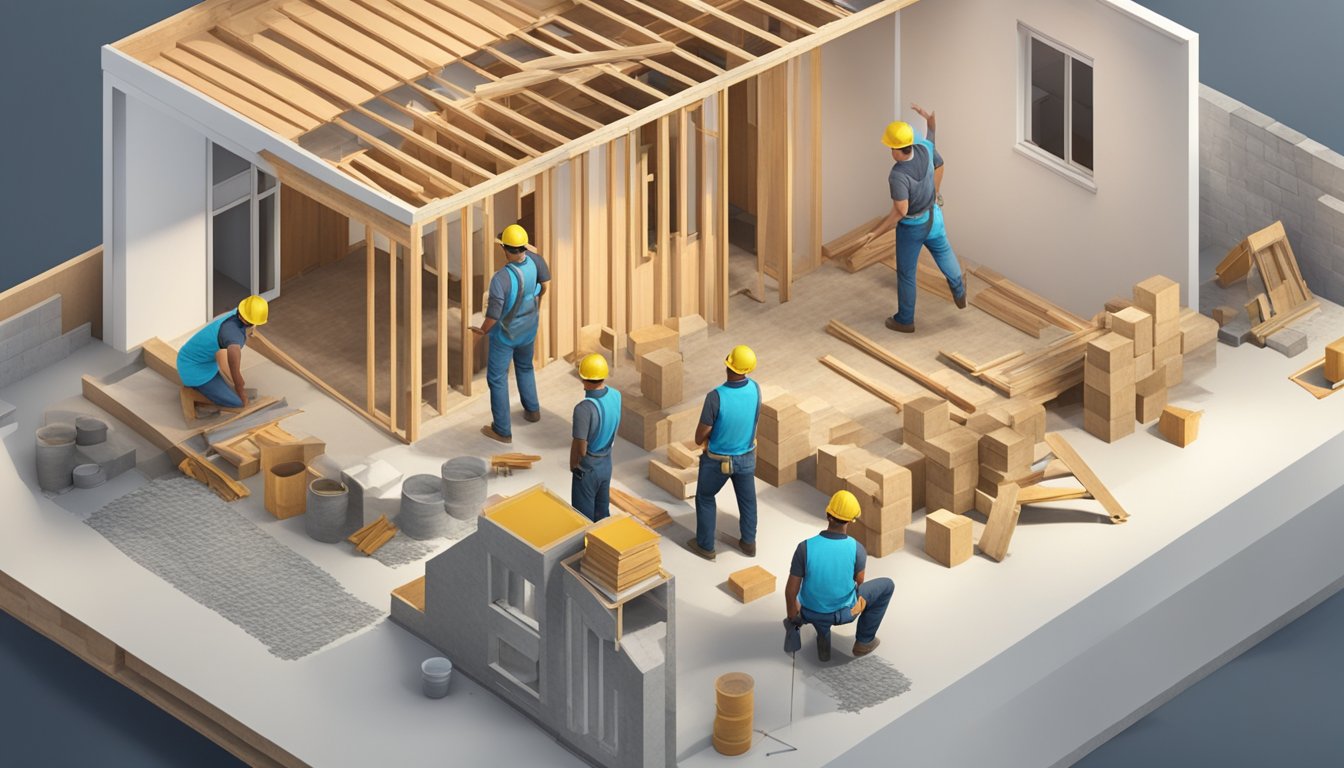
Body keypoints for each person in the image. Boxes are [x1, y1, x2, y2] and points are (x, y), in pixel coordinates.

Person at [857, 103, 966, 334]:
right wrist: (930, 122)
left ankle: (905, 320)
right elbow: (934, 145)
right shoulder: (924, 149)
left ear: (896, 150)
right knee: (943, 251)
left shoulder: (898, 175)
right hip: (934, 216)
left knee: (906, 273)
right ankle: (958, 288)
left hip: (912, 227)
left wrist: (874, 233)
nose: (889, 151)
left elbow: (900, 211)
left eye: (890, 147)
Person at [784, 491, 894, 662]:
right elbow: (859, 581)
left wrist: (793, 618)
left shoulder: (805, 547)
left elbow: (791, 591)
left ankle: (823, 634)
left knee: (815, 606)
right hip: (843, 614)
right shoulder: (857, 549)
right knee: (887, 585)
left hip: (808, 612)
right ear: (851, 520)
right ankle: (864, 642)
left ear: (828, 514)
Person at [473, 224, 550, 444]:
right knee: (525, 366)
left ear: (505, 249)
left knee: (497, 379)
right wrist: (534, 297)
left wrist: (481, 330)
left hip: (506, 336)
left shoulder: (501, 279)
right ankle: (533, 410)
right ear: (524, 246)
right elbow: (544, 285)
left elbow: (493, 316)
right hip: (528, 329)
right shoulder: (536, 261)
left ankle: (502, 430)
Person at [686, 345, 761, 561]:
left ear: (727, 364)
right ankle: (748, 543)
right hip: (746, 456)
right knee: (748, 501)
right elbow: (753, 420)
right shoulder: (756, 389)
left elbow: (702, 434)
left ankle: (706, 546)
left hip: (718, 460)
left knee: (705, 497)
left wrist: (703, 440)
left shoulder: (716, 397)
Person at [177, 295, 267, 411]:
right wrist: (239, 386)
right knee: (238, 403)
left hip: (206, 363)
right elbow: (227, 365)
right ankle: (196, 393)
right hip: (193, 370)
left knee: (244, 393)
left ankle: (218, 391)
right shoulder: (231, 336)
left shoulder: (237, 313)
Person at [570, 354, 621, 522]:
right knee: (602, 514)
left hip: (588, 469)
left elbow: (581, 448)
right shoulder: (616, 395)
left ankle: (587, 547)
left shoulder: (583, 409)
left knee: (583, 519)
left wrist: (573, 465)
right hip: (606, 463)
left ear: (582, 378)